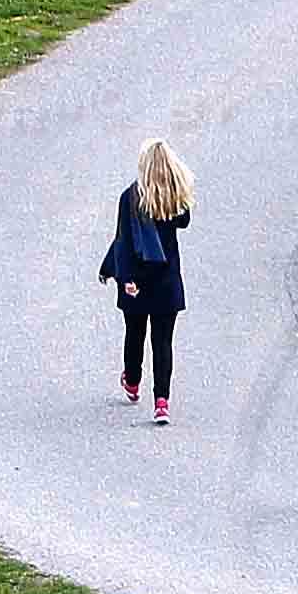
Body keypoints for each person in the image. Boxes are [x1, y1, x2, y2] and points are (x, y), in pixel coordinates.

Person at [102, 140, 194, 421]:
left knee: (135, 333)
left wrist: (126, 277)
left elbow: (124, 242)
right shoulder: (176, 200)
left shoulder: (130, 198)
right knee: (163, 341)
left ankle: (132, 381)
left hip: (138, 282)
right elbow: (184, 222)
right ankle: (162, 402)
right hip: (166, 281)